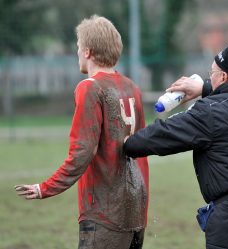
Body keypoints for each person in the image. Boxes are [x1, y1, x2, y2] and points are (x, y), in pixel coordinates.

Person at [123, 39, 228, 249]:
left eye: (212, 73)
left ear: (224, 76)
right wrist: (205, 88)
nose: (210, 77)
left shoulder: (210, 112)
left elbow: (165, 134)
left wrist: (129, 143)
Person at [14, 15, 149, 249]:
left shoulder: (90, 88)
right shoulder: (131, 87)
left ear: (87, 51)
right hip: (136, 209)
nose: (77, 52)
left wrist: (44, 188)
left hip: (104, 212)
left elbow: (82, 152)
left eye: (78, 47)